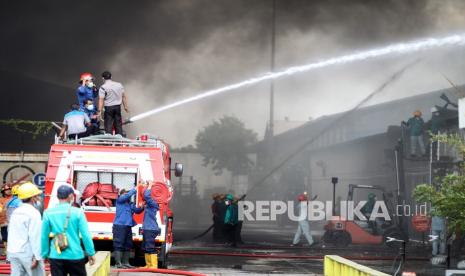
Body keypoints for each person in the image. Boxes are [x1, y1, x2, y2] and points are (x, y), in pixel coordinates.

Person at [41, 185, 96, 276]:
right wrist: (91, 252)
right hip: (75, 255)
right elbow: (85, 235)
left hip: (56, 255)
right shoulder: (78, 212)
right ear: (70, 196)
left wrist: (44, 254)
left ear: (58, 196)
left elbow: (43, 236)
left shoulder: (48, 213)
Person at [7, 182, 44, 276]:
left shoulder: (16, 212)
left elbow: (10, 232)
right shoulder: (33, 213)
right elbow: (35, 236)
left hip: (13, 252)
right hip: (28, 253)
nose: (39, 198)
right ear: (32, 198)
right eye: (37, 196)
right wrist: (38, 256)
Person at [113, 188, 144, 268]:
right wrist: (134, 189)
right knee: (119, 244)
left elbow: (137, 211)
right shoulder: (119, 200)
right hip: (119, 226)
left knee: (128, 244)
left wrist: (142, 207)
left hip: (128, 226)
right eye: (125, 194)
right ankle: (118, 263)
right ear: (122, 195)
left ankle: (126, 262)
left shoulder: (130, 204)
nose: (127, 196)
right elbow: (127, 196)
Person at [98, 71, 129, 135]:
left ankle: (109, 142)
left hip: (109, 108)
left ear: (103, 78)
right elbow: (123, 96)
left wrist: (99, 111)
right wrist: (125, 107)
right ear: (111, 77)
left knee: (108, 125)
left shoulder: (103, 87)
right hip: (117, 107)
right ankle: (119, 141)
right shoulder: (119, 85)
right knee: (118, 125)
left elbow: (101, 99)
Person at [141, 182, 160, 268]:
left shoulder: (154, 204)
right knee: (145, 247)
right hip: (147, 228)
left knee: (150, 247)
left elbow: (147, 196)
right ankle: (148, 265)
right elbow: (145, 196)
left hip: (151, 228)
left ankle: (153, 266)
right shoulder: (149, 204)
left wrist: (149, 186)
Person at [0, 184, 12, 255]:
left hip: (13, 222)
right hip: (4, 222)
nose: (9, 191)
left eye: (10, 189)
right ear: (3, 191)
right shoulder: (1, 200)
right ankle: (7, 252)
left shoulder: (14, 199)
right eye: (7, 190)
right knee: (5, 237)